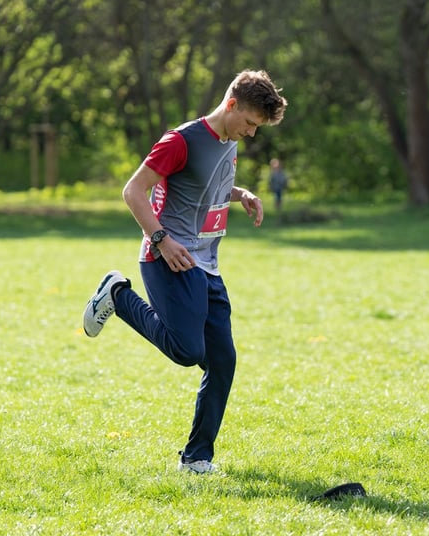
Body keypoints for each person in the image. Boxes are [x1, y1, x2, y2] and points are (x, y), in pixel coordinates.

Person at [82, 69, 288, 474]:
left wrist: (240, 193)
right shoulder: (181, 140)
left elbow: (203, 184)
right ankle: (118, 295)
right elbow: (133, 191)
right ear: (231, 105)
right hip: (168, 258)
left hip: (206, 265)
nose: (251, 134)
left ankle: (196, 458)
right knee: (188, 351)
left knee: (223, 360)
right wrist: (161, 239)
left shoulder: (227, 140)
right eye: (249, 123)